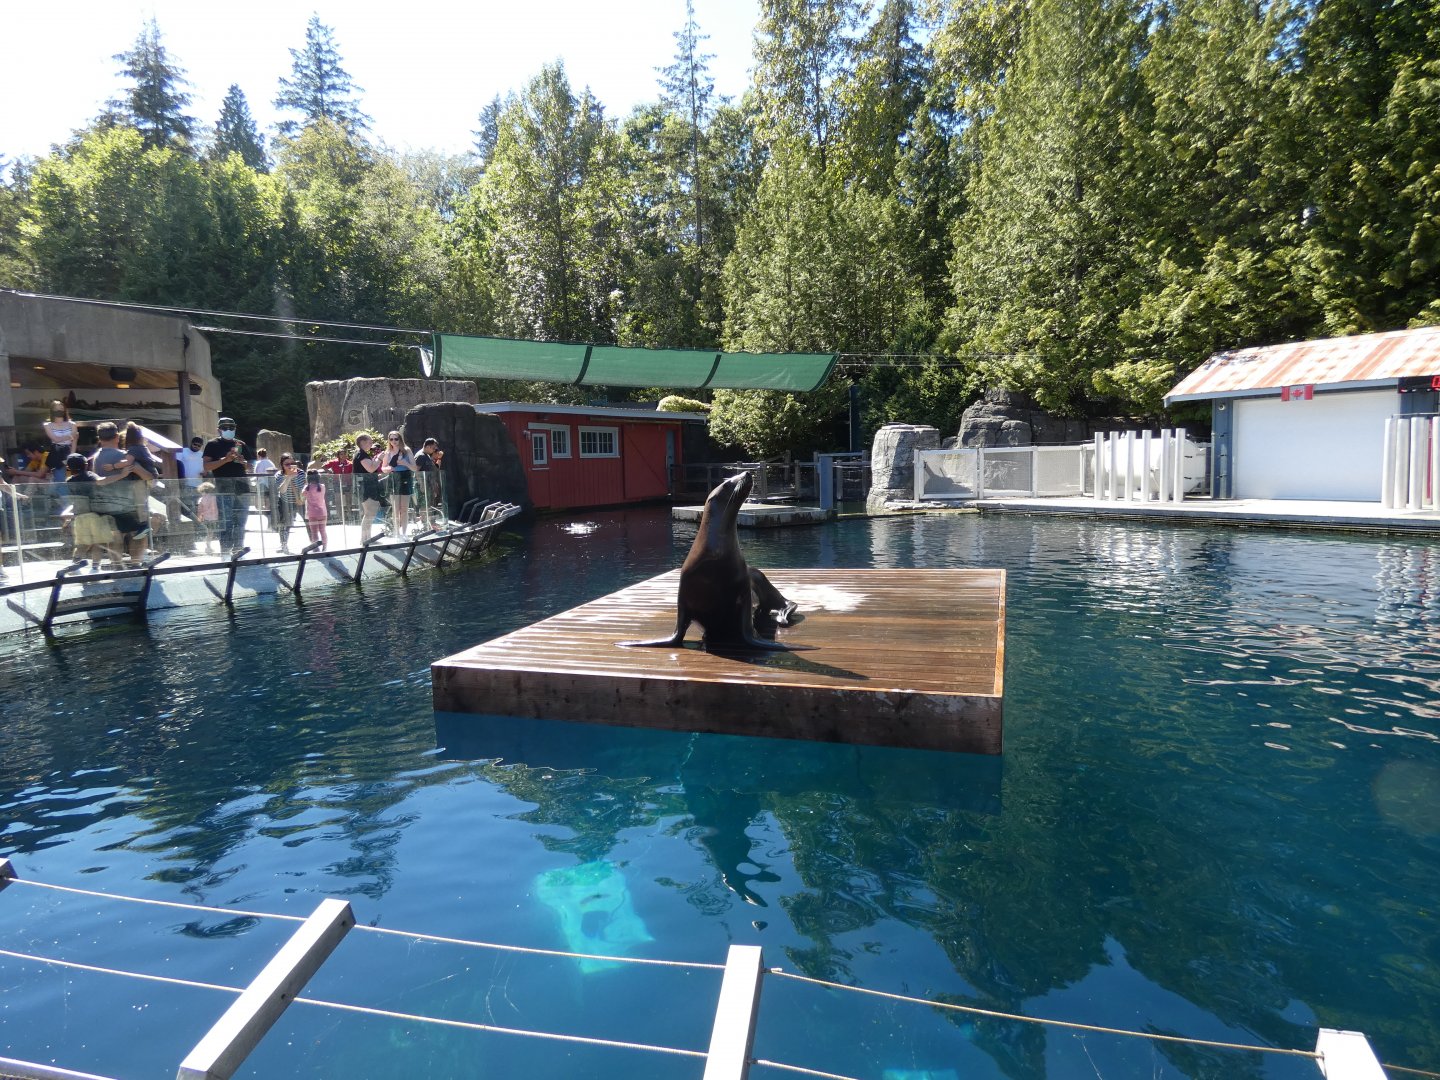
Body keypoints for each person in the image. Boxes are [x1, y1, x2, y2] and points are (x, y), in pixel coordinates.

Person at [87, 421, 150, 565]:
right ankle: (135, 565)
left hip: (104, 504)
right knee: (137, 533)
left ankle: (117, 567)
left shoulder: (96, 458)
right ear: (117, 437)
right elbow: (147, 475)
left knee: (115, 537)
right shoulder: (124, 456)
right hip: (126, 504)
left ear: (99, 438)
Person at [60, 453, 120, 570]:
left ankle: (75, 565)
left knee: (82, 544)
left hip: (80, 516)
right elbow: (101, 481)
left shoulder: (69, 481)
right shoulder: (90, 475)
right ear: (86, 465)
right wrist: (122, 475)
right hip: (96, 515)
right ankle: (95, 567)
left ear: (69, 468)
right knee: (99, 542)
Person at [202, 417, 250, 552]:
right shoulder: (212, 444)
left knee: (241, 521)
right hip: (224, 488)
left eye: (231, 428)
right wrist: (226, 459)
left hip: (242, 487)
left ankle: (239, 548)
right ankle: (225, 549)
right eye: (225, 428)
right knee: (226, 521)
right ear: (218, 430)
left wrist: (243, 462)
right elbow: (206, 466)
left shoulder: (241, 444)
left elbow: (251, 467)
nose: (229, 430)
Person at [380, 431, 416, 535]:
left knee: (404, 509)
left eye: (396, 439)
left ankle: (404, 533)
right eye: (391, 439)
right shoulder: (387, 452)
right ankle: (396, 533)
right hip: (393, 477)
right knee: (395, 509)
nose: (393, 441)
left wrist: (405, 463)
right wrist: (389, 468)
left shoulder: (407, 450)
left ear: (400, 439)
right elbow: (383, 468)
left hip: (406, 477)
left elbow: (414, 468)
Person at [352, 433, 385, 542]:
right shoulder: (361, 455)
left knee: (369, 513)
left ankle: (367, 537)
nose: (371, 444)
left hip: (367, 486)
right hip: (366, 487)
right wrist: (379, 459)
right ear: (363, 442)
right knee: (369, 513)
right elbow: (370, 469)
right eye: (370, 442)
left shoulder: (362, 454)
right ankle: (365, 538)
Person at [272, 453, 300, 552]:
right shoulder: (279, 475)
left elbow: (303, 487)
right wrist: (288, 477)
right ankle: (283, 544)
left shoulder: (300, 473)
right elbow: (282, 490)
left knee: (290, 523)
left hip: (297, 501)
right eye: (286, 464)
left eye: (292, 463)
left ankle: (315, 544)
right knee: (284, 524)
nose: (289, 466)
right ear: (282, 465)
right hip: (283, 501)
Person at [43, 400, 76, 482]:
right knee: (60, 477)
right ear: (52, 411)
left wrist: (71, 456)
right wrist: (69, 436)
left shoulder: (72, 424)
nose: (59, 411)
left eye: (61, 409)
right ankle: (62, 494)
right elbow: (55, 439)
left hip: (69, 450)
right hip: (57, 453)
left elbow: (74, 440)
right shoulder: (47, 425)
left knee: (74, 476)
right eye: (57, 409)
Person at [414, 438, 443, 528]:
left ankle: (429, 522)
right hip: (423, 485)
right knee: (424, 504)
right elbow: (416, 471)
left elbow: (434, 469)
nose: (434, 450)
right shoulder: (421, 456)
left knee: (429, 504)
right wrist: (422, 485)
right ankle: (426, 523)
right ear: (428, 446)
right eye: (433, 448)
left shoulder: (426, 456)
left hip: (429, 485)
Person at [175, 434, 205, 520]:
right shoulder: (183, 451)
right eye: (195, 444)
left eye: (199, 446)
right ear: (191, 443)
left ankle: (196, 525)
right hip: (185, 484)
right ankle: (191, 523)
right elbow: (176, 464)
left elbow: (206, 468)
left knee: (195, 507)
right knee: (187, 506)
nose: (196, 446)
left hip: (198, 485)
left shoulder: (202, 455)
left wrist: (205, 472)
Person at [303, 470, 328, 550]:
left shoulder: (307, 488)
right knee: (323, 530)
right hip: (322, 512)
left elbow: (302, 495)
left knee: (314, 532)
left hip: (312, 513)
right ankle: (325, 546)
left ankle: (316, 548)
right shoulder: (322, 487)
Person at [196, 481, 220, 553]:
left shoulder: (201, 499)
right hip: (213, 517)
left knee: (208, 532)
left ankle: (208, 545)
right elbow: (214, 508)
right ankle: (208, 546)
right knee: (211, 532)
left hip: (205, 518)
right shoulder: (213, 497)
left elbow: (199, 510)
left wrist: (199, 518)